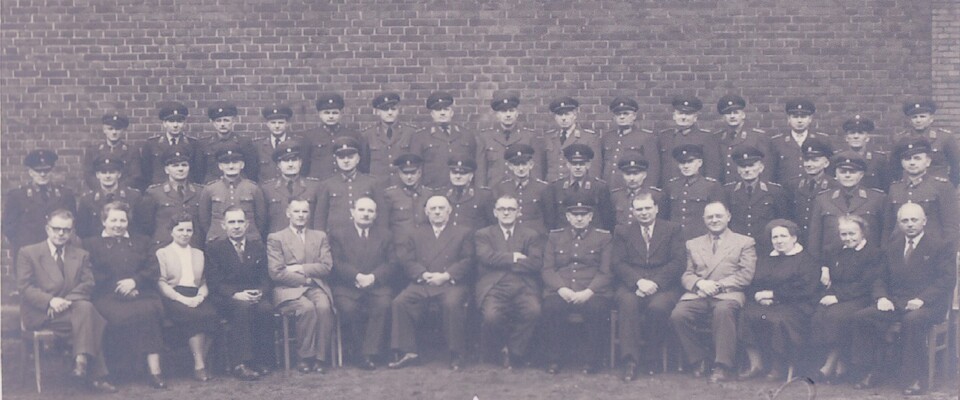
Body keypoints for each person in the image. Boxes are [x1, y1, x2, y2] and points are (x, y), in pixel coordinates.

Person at [851, 203, 956, 396]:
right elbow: (880, 277)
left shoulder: (940, 245)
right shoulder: (893, 246)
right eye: (905, 220)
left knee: (912, 320)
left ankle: (916, 378)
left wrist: (922, 299)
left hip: (929, 304)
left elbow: (946, 280)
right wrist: (882, 297)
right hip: (897, 302)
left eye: (914, 220)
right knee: (862, 317)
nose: (910, 224)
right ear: (899, 224)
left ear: (924, 221)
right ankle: (872, 371)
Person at [17, 209, 117, 393]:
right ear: (47, 229)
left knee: (86, 310)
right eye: (56, 229)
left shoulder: (80, 254)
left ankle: (81, 361)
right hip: (42, 312)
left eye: (66, 230)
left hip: (70, 309)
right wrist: (50, 301)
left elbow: (88, 284)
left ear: (72, 231)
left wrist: (63, 301)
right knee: (91, 316)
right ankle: (90, 369)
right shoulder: (29, 253)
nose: (61, 234)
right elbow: (25, 287)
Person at [669, 201, 756, 383]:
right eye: (710, 217)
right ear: (704, 220)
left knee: (723, 311)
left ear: (728, 217)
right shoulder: (693, 244)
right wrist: (699, 283)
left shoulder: (744, 242)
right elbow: (686, 273)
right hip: (699, 293)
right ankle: (698, 359)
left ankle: (722, 365)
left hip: (728, 293)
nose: (714, 220)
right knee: (678, 315)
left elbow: (746, 275)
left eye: (718, 216)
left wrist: (717, 286)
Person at [389, 195, 475, 371]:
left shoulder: (463, 232)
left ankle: (456, 354)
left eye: (441, 208)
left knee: (452, 303)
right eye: (433, 209)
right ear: (426, 212)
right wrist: (423, 274)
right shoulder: (414, 232)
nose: (437, 212)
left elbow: (468, 260)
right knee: (400, 302)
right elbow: (408, 260)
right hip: (423, 282)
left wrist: (446, 275)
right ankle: (409, 352)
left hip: (451, 283)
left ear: (449, 211)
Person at [85, 202, 165, 388]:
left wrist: (135, 282)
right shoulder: (91, 244)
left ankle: (155, 372)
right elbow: (91, 273)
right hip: (107, 295)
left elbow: (152, 269)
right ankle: (120, 371)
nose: (118, 225)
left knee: (149, 312)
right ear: (104, 221)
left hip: (140, 292)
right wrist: (120, 287)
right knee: (118, 317)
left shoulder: (142, 241)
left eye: (122, 220)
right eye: (113, 220)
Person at [611, 192, 685, 381]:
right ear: (633, 212)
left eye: (647, 208)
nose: (644, 213)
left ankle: (652, 358)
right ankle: (630, 361)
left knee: (657, 308)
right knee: (628, 304)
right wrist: (638, 281)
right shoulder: (622, 231)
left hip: (664, 286)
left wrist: (656, 283)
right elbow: (618, 263)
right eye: (639, 209)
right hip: (632, 284)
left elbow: (678, 262)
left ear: (656, 209)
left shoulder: (672, 229)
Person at [738, 219, 820, 381]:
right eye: (775, 237)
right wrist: (758, 296)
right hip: (767, 304)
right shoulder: (767, 258)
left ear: (794, 238)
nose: (779, 241)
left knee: (777, 321)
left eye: (783, 236)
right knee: (746, 315)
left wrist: (774, 295)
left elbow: (806, 289)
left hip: (796, 305)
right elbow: (755, 282)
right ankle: (756, 363)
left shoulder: (806, 260)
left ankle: (778, 366)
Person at [541, 193, 613, 375]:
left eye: (584, 214)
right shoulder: (554, 237)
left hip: (592, 291)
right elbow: (547, 269)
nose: (579, 218)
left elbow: (606, 271)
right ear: (567, 216)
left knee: (596, 309)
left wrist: (589, 291)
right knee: (551, 307)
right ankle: (554, 359)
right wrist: (561, 288)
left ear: (591, 216)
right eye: (574, 214)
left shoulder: (603, 238)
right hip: (562, 290)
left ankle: (592, 361)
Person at [205, 206, 275, 380]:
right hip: (226, 298)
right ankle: (241, 363)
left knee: (265, 309)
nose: (236, 226)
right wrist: (235, 294)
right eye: (231, 222)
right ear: (223, 225)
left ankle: (262, 360)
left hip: (252, 295)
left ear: (247, 224)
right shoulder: (214, 248)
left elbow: (265, 277)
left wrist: (260, 292)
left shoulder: (257, 246)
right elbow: (214, 281)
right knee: (242, 308)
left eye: (240, 222)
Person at [474, 195, 544, 369]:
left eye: (511, 209)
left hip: (523, 285)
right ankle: (500, 349)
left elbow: (535, 262)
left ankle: (515, 352)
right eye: (502, 209)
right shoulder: (483, 234)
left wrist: (501, 263)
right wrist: (514, 258)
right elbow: (485, 257)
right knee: (491, 316)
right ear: (495, 212)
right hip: (494, 286)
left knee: (533, 311)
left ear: (518, 212)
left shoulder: (530, 235)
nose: (506, 213)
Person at [810, 215, 881, 384]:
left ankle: (830, 365)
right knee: (817, 315)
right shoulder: (837, 250)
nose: (847, 238)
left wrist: (838, 297)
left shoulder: (873, 253)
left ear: (863, 233)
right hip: (838, 295)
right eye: (843, 234)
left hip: (861, 297)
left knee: (836, 316)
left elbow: (867, 284)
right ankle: (839, 363)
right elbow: (826, 260)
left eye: (852, 234)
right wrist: (825, 269)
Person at [267, 199, 335, 373]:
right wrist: (305, 279)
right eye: (296, 211)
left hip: (316, 286)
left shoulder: (319, 236)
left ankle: (321, 358)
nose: (300, 215)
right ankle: (305, 357)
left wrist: (300, 268)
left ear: (309, 214)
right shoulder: (276, 238)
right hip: (288, 289)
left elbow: (326, 266)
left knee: (323, 307)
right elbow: (276, 272)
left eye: (304, 212)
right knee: (306, 308)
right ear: (288, 213)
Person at [328, 197, 396, 370]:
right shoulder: (338, 234)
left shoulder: (386, 235)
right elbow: (336, 262)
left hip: (377, 285)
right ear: (353, 212)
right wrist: (357, 276)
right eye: (362, 210)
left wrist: (373, 278)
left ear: (376, 215)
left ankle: (369, 353)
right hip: (348, 286)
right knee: (349, 309)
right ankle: (359, 352)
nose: (365, 214)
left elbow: (392, 263)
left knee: (383, 305)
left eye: (370, 211)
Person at [155, 212, 221, 382]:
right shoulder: (162, 253)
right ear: (171, 231)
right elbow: (162, 283)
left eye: (189, 230)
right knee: (195, 316)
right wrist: (182, 299)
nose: (185, 234)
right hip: (174, 295)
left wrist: (200, 296)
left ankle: (199, 361)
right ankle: (199, 366)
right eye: (180, 230)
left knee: (213, 315)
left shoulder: (199, 253)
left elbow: (203, 281)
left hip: (196, 294)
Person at [2, 149, 77, 268]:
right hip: (29, 255)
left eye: (46, 170)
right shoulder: (17, 196)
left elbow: (73, 223)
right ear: (30, 172)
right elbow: (8, 227)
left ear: (52, 171)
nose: (42, 174)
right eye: (38, 171)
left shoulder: (64, 195)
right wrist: (24, 245)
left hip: (57, 254)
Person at [807, 151, 886, 259]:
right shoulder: (823, 199)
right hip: (832, 263)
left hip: (868, 263)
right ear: (836, 174)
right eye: (843, 171)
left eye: (852, 171)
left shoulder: (876, 199)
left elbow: (884, 235)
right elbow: (814, 239)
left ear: (861, 175)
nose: (847, 175)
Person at [885, 137, 959, 245]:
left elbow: (951, 227)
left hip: (932, 249)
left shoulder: (942, 187)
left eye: (917, 158)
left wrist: (946, 254)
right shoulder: (895, 188)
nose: (912, 163)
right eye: (907, 159)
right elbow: (888, 227)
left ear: (928, 161)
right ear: (902, 163)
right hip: (900, 250)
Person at [723, 145, 790, 249]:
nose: (747, 170)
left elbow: (782, 222)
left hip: (765, 248)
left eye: (751, 165)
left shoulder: (775, 191)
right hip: (737, 248)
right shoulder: (729, 191)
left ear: (761, 168)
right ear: (738, 169)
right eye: (743, 166)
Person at [198, 143, 267, 242]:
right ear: (220, 166)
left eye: (235, 162)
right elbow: (204, 219)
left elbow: (261, 219)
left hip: (249, 240)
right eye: (226, 163)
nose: (231, 166)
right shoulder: (210, 189)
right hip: (218, 240)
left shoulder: (253, 188)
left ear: (242, 165)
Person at [139, 146, 205, 248]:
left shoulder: (200, 192)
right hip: (164, 247)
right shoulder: (154, 193)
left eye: (184, 165)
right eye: (175, 165)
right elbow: (146, 227)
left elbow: (203, 223)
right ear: (166, 170)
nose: (180, 169)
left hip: (192, 248)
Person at [410, 91, 480, 188]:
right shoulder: (420, 137)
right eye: (438, 110)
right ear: (432, 114)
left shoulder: (466, 135)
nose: (442, 113)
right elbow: (415, 169)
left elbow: (476, 166)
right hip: (433, 191)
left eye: (446, 109)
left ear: (452, 112)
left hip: (462, 191)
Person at [540, 143, 615, 231]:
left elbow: (607, 221)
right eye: (574, 163)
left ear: (588, 165)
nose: (578, 167)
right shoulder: (556, 188)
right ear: (567, 164)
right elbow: (550, 220)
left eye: (581, 163)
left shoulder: (599, 188)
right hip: (563, 240)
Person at [314, 136, 379, 231]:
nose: (346, 161)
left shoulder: (371, 183)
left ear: (358, 159)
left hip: (365, 237)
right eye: (341, 157)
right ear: (336, 160)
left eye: (350, 157)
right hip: (335, 239)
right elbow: (320, 217)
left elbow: (381, 216)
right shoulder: (327, 184)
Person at [892, 99, 959, 186]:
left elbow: (956, 166)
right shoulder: (900, 139)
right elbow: (895, 167)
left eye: (922, 116)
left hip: (937, 187)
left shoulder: (945, 138)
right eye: (914, 117)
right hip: (910, 187)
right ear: (909, 120)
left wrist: (949, 186)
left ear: (931, 119)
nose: (918, 120)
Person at [663, 144, 724, 240]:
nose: (686, 166)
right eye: (682, 162)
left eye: (690, 162)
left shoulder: (711, 186)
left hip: (702, 239)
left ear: (700, 163)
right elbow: (665, 216)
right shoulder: (671, 186)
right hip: (675, 239)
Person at [477, 92, 537, 187]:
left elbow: (535, 170)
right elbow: (481, 171)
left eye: (511, 110)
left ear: (517, 113)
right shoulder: (485, 137)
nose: (508, 114)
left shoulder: (529, 136)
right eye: (503, 111)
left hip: (521, 190)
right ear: (497, 115)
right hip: (494, 190)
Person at [657, 95, 721, 185]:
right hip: (669, 190)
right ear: (674, 116)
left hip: (696, 191)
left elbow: (712, 169)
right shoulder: (664, 137)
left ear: (695, 118)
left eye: (688, 114)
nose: (683, 117)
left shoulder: (706, 138)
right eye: (680, 113)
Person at [260, 141, 322, 234]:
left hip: (307, 242)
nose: (290, 164)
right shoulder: (267, 189)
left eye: (294, 160)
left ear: (300, 162)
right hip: (278, 244)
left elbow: (319, 220)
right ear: (279, 165)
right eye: (286, 160)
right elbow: (263, 223)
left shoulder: (314, 187)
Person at [769, 98, 832, 188]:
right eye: (795, 116)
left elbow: (830, 169)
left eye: (803, 116)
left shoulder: (822, 140)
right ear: (788, 119)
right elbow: (771, 172)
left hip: (816, 191)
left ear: (810, 119)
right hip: (785, 193)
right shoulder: (776, 142)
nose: (799, 121)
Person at [306, 92, 370, 181]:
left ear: (341, 114)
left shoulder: (353, 135)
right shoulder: (309, 136)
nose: (331, 116)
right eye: (327, 113)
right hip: (319, 183)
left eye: (335, 113)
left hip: (344, 184)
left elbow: (363, 164)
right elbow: (304, 166)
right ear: (320, 114)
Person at [78, 155, 144, 240]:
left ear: (119, 174)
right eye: (103, 172)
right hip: (97, 248)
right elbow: (82, 231)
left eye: (112, 172)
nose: (107, 176)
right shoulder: (87, 200)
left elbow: (140, 228)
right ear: (98, 175)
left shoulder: (133, 197)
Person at [140, 102, 203, 188]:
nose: (175, 125)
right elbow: (146, 173)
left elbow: (198, 173)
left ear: (184, 123)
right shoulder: (151, 145)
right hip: (159, 191)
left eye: (179, 121)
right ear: (164, 123)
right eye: (171, 121)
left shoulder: (193, 145)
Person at [601, 96, 660, 188]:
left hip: (632, 189)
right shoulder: (607, 137)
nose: (622, 117)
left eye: (626, 114)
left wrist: (647, 193)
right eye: (618, 114)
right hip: (607, 189)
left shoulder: (646, 138)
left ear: (634, 116)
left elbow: (653, 170)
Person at [361, 92, 417, 186]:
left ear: (398, 110)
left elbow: (416, 163)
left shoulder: (410, 132)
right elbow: (364, 166)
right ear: (377, 111)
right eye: (385, 109)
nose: (390, 112)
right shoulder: (368, 134)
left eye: (393, 109)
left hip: (402, 187)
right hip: (377, 188)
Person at [492, 144, 549, 234]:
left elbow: (549, 219)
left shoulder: (543, 188)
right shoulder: (502, 188)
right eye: (517, 164)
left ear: (531, 165)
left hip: (537, 237)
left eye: (524, 164)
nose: (521, 168)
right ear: (510, 166)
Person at [540, 97, 601, 182]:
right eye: (560, 115)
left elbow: (594, 170)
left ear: (575, 115)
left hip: (576, 188)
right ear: (555, 117)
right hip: (552, 187)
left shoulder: (589, 137)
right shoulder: (549, 137)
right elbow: (543, 167)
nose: (563, 118)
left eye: (567, 114)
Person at [714, 94, 771, 184]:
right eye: (728, 113)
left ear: (743, 115)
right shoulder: (718, 138)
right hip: (725, 189)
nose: (732, 116)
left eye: (736, 112)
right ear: (723, 117)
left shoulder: (757, 137)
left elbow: (766, 168)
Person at [199, 102, 259, 183]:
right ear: (212, 122)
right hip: (212, 189)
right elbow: (199, 172)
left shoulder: (244, 143)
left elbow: (251, 172)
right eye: (218, 121)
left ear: (234, 120)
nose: (222, 124)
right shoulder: (203, 144)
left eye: (226, 120)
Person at [790, 137, 835, 239]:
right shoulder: (793, 185)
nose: (809, 164)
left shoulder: (834, 186)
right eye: (806, 160)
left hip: (823, 239)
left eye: (815, 160)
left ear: (826, 163)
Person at [83, 112, 142, 190]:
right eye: (110, 129)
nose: (114, 132)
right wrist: (103, 189)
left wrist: (116, 189)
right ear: (104, 130)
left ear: (123, 131)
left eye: (117, 129)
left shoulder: (132, 151)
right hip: (99, 193)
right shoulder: (93, 151)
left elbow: (135, 176)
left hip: (123, 193)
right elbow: (89, 175)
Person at [380, 153, 433, 235]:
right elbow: (384, 226)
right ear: (399, 173)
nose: (409, 177)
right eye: (405, 173)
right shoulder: (390, 195)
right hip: (400, 245)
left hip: (423, 245)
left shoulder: (428, 194)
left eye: (413, 173)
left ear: (419, 172)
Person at [439, 155, 495, 230]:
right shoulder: (442, 195)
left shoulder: (483, 196)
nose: (458, 176)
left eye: (463, 173)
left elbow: (493, 225)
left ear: (471, 175)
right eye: (454, 173)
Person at [609, 152, 663, 228]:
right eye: (628, 174)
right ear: (622, 175)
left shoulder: (656, 195)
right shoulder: (615, 196)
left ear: (644, 175)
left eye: (636, 174)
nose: (632, 178)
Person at [255, 104, 304, 183]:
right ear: (267, 124)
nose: (277, 126)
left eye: (280, 122)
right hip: (265, 191)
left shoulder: (298, 143)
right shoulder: (258, 146)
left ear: (287, 123)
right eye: (273, 122)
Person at [839, 115, 889, 191]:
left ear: (867, 137)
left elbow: (885, 188)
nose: (856, 136)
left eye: (860, 133)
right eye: (852, 133)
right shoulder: (838, 159)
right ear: (846, 138)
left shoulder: (879, 160)